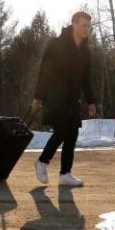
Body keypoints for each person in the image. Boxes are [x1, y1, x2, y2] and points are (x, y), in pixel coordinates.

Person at [31, 11, 97, 187]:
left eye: (88, 26)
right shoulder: (56, 44)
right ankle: (42, 162)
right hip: (55, 96)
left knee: (72, 133)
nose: (86, 29)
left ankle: (65, 174)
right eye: (83, 25)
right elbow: (43, 72)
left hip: (72, 98)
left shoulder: (85, 52)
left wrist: (91, 101)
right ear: (74, 24)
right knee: (61, 131)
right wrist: (38, 97)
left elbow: (86, 79)